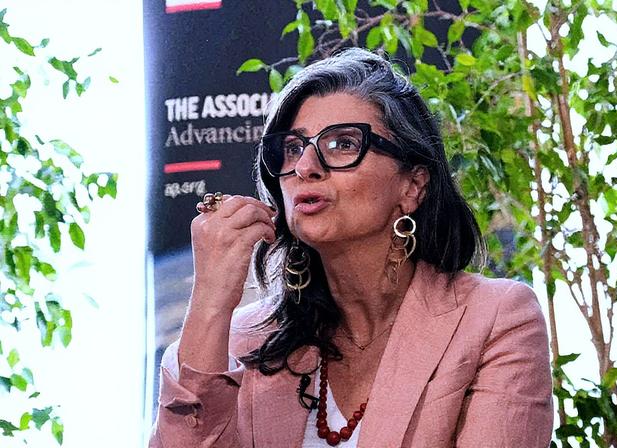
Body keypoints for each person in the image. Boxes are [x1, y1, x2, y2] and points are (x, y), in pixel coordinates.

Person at [149, 47, 553, 448]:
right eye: (293, 147)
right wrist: (211, 300)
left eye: (342, 144)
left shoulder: (496, 319)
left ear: (412, 186)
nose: (306, 166)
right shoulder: (242, 343)